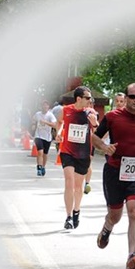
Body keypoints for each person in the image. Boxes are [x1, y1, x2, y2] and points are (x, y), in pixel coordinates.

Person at [91, 83, 135, 269]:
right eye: (133, 97)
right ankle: (107, 229)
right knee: (115, 215)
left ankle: (132, 257)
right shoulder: (113, 117)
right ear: (127, 98)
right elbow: (95, 137)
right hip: (114, 170)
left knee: (134, 211)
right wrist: (105, 148)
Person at [56, 86, 98, 230]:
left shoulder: (90, 112)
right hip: (67, 151)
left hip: (83, 154)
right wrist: (59, 132)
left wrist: (94, 123)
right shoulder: (66, 110)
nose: (90, 100)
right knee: (69, 181)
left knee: (78, 187)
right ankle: (68, 216)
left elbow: (97, 130)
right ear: (78, 98)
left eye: (91, 98)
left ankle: (76, 211)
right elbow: (60, 122)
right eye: (87, 98)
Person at [33, 100, 57, 176]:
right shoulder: (38, 114)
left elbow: (54, 125)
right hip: (38, 135)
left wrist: (45, 122)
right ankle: (39, 168)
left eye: (46, 105)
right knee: (40, 152)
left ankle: (43, 166)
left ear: (48, 107)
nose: (45, 107)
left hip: (47, 136)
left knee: (45, 154)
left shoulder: (50, 115)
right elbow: (33, 119)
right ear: (41, 106)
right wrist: (33, 125)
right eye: (43, 105)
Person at [84, 95, 98, 195]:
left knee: (88, 162)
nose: (88, 105)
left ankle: (87, 183)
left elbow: (96, 130)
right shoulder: (78, 112)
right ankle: (81, 183)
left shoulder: (94, 113)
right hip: (78, 141)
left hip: (89, 141)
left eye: (90, 103)